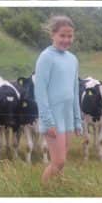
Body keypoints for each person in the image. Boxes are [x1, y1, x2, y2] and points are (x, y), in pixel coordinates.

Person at [35, 15, 83, 186]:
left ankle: (56, 191)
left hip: (67, 116)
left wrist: (78, 121)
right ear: (53, 35)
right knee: (59, 161)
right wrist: (48, 121)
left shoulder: (73, 59)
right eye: (62, 35)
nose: (66, 39)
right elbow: (40, 91)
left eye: (70, 36)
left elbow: (75, 91)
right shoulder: (46, 57)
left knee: (62, 161)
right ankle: (43, 193)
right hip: (52, 116)